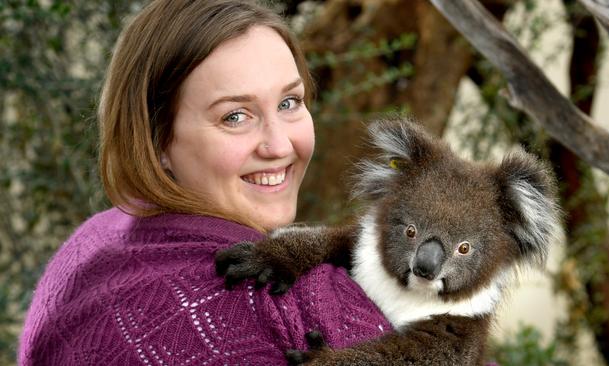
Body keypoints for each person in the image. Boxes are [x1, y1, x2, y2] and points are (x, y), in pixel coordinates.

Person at [18, 1, 391, 365]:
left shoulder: (93, 241)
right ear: (156, 139)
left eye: (289, 102)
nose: (279, 145)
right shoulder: (282, 307)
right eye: (234, 116)